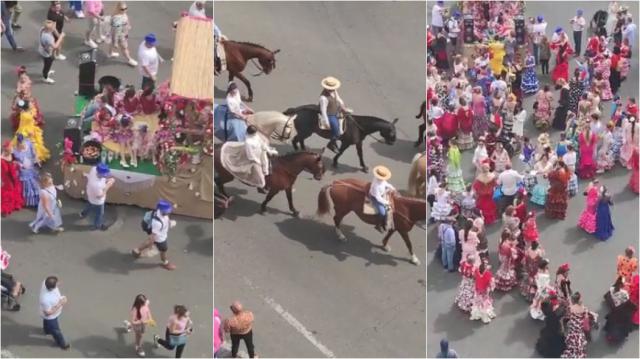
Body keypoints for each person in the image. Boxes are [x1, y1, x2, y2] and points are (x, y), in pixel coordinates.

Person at [132, 200, 178, 270]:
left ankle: (137, 250)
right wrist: (151, 247)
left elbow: (166, 219)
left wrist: (169, 223)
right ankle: (165, 262)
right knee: (163, 250)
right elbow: (152, 237)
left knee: (149, 241)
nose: (169, 212)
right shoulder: (157, 223)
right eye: (167, 210)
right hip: (161, 239)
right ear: (162, 210)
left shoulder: (158, 212)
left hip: (159, 233)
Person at [319, 76, 351, 152]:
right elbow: (323, 111)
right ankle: (331, 143)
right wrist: (326, 122)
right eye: (331, 88)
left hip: (336, 109)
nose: (332, 89)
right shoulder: (323, 98)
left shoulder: (334, 91)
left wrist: (343, 106)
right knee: (338, 132)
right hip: (330, 114)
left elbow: (338, 99)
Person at [79, 163, 114, 230]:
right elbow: (100, 196)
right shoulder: (96, 185)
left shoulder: (94, 169)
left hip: (90, 194)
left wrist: (107, 180)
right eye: (105, 174)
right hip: (98, 201)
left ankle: (83, 214)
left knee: (89, 205)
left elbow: (98, 178)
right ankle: (97, 225)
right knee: (99, 214)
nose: (107, 175)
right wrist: (108, 185)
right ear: (100, 174)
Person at [244, 125, 278, 192]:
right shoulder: (248, 142)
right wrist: (257, 162)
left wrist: (268, 150)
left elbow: (262, 144)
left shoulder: (256, 136)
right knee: (259, 173)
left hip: (262, 155)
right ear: (252, 133)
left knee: (269, 167)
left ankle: (267, 182)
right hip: (255, 160)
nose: (256, 133)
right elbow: (250, 155)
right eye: (255, 132)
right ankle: (259, 186)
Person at [39, 276, 69, 350]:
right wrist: (61, 303)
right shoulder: (46, 299)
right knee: (56, 331)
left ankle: (47, 331)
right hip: (51, 317)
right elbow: (48, 313)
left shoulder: (45, 282)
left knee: (46, 323)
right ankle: (62, 344)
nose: (59, 283)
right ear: (52, 288)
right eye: (57, 283)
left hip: (48, 314)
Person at [12, 133, 40, 207]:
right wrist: (19, 164)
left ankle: (37, 200)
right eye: (21, 145)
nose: (23, 146)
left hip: (31, 169)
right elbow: (13, 161)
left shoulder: (29, 143)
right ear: (18, 144)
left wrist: (36, 159)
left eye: (24, 144)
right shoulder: (15, 151)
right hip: (23, 172)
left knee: (34, 185)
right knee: (28, 186)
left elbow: (34, 153)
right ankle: (30, 202)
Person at [561, 292, 590, 358]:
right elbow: (586, 317)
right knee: (579, 334)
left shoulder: (571, 308)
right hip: (579, 325)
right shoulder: (584, 308)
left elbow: (568, 315)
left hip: (573, 323)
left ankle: (572, 345)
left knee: (572, 333)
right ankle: (578, 347)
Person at [109, 2, 138, 66]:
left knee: (112, 42)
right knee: (124, 48)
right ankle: (129, 59)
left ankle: (110, 53)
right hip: (120, 36)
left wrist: (128, 25)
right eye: (122, 9)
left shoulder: (123, 14)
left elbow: (126, 20)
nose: (124, 10)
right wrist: (116, 42)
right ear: (118, 9)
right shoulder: (117, 19)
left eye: (126, 8)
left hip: (123, 33)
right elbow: (116, 32)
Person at [369, 165, 396, 232]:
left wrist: (392, 188)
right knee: (382, 213)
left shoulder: (381, 180)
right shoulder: (376, 186)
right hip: (374, 197)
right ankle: (378, 225)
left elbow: (386, 183)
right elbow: (378, 198)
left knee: (390, 206)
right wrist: (387, 202)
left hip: (382, 193)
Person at [1, 141, 23, 216]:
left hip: (13, 175)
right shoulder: (2, 160)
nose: (12, 149)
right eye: (10, 148)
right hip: (7, 177)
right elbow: (6, 171)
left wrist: (16, 164)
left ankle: (14, 205)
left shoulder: (12, 155)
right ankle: (5, 209)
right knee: (9, 190)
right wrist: (14, 166)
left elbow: (14, 160)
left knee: (15, 188)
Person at [39, 20, 64, 84]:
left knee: (48, 62)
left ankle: (46, 72)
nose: (54, 28)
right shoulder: (48, 37)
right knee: (47, 64)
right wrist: (60, 37)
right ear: (50, 29)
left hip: (43, 49)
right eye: (53, 27)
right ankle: (45, 77)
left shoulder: (43, 30)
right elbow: (55, 46)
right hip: (46, 53)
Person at [472, 160, 497, 224]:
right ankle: (490, 220)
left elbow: (475, 187)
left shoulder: (479, 178)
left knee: (482, 207)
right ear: (489, 168)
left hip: (482, 196)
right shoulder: (492, 176)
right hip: (490, 195)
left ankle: (481, 219)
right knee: (490, 207)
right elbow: (495, 185)